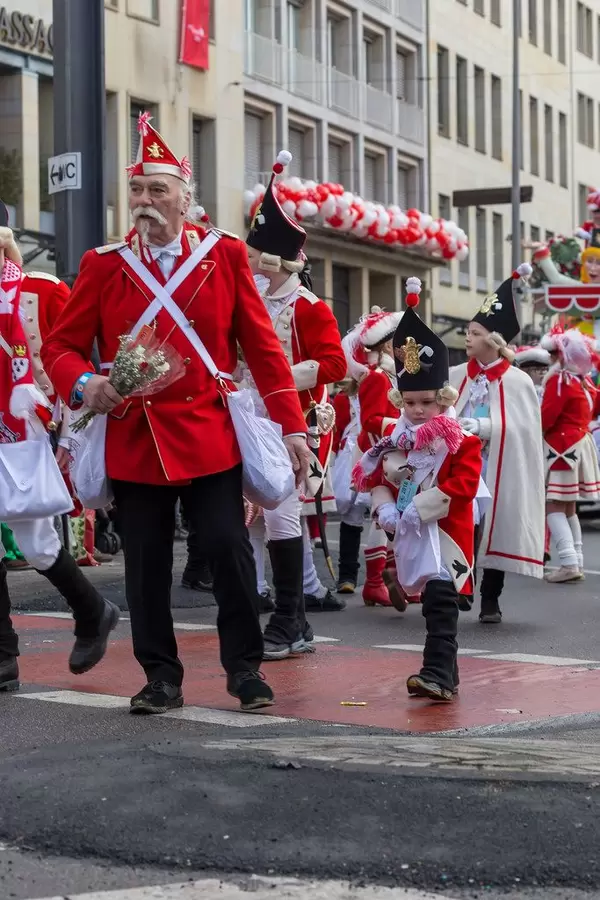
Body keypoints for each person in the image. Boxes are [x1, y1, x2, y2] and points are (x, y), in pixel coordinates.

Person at [42, 114, 310, 713]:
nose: (145, 201)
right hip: (133, 435)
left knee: (227, 547)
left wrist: (292, 427)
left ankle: (244, 670)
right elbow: (58, 347)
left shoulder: (225, 257)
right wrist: (86, 383)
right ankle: (160, 676)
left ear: (186, 199)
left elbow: (264, 349)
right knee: (146, 565)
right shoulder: (103, 265)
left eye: (158, 190)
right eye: (137, 190)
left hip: (209, 430)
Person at [0, 211, 119, 692]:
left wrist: (67, 429)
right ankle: (5, 656)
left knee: (37, 544)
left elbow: (59, 356)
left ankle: (93, 611)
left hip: (18, 426)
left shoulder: (29, 291)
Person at [353, 277, 482, 701]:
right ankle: (447, 672)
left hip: (448, 533)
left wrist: (417, 509)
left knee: (442, 602)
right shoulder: (391, 440)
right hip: (410, 532)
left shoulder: (461, 438)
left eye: (427, 402)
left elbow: (462, 486)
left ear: (444, 401)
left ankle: (436, 674)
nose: (418, 410)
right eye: (410, 403)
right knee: (430, 602)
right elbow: (375, 478)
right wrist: (385, 509)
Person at [245, 149, 347, 660]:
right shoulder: (247, 300)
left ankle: (290, 619)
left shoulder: (309, 307)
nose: (247, 259)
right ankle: (285, 613)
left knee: (282, 513)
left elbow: (333, 365)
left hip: (292, 422)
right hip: (249, 419)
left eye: (253, 251)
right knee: (258, 517)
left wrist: (283, 377)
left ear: (271, 257)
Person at [449, 264, 545, 624]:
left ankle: (491, 598)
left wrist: (487, 426)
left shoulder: (518, 381)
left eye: (474, 333)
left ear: (494, 339)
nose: (467, 338)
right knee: (464, 524)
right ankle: (462, 584)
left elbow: (524, 428)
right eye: (467, 332)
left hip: (498, 465)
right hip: (466, 465)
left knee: (494, 526)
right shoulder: (458, 374)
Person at [346, 306, 406, 608]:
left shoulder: (396, 377)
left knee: (399, 519)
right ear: (387, 345)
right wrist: (405, 428)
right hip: (383, 457)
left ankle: (397, 579)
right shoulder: (378, 378)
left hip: (398, 456)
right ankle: (373, 582)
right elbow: (371, 421)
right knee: (381, 521)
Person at [539, 327, 600, 583]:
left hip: (562, 448)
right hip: (579, 443)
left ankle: (568, 562)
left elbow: (547, 417)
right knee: (568, 507)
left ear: (561, 356)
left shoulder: (560, 380)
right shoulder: (583, 381)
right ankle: (576, 560)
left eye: (552, 354)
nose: (550, 360)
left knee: (553, 504)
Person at [331, 377, 366, 594]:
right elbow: (336, 431)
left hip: (377, 453)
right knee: (351, 513)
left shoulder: (390, 389)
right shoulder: (345, 399)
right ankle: (347, 576)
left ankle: (388, 577)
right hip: (349, 458)